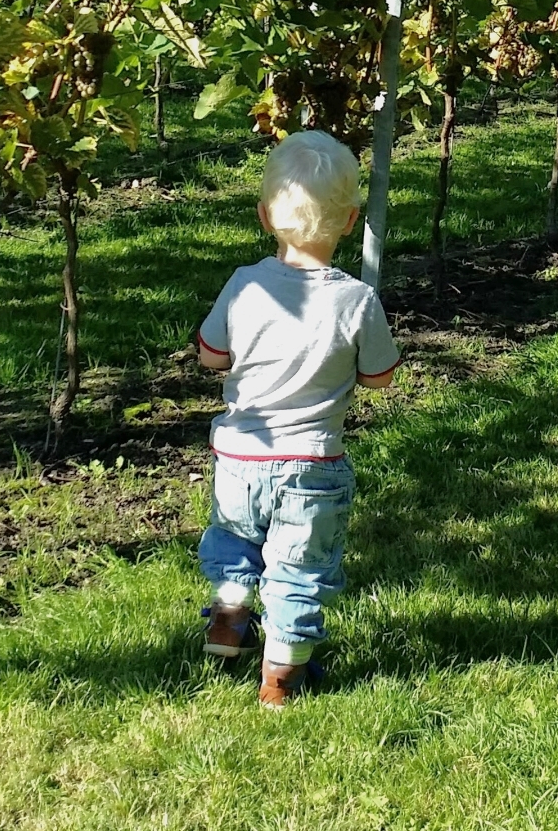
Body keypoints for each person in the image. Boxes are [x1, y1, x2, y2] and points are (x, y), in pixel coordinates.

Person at [194, 129, 400, 707]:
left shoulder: (244, 284)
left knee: (235, 537)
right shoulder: (357, 299)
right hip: (313, 462)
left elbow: (212, 356)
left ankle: (228, 618)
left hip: (239, 456)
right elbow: (380, 377)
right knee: (298, 568)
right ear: (352, 219)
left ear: (264, 216)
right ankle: (281, 679)